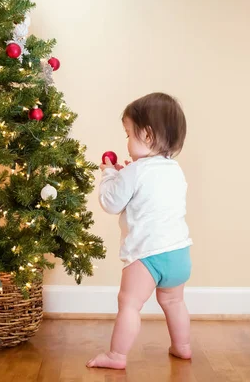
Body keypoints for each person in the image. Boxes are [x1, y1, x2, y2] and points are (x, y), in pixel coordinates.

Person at [87, 92, 192, 370]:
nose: (127, 142)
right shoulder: (175, 170)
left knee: (129, 303)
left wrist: (110, 174)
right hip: (179, 252)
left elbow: (111, 202)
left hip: (147, 255)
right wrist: (127, 175)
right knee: (174, 301)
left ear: (146, 135)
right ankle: (182, 346)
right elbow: (152, 195)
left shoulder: (134, 172)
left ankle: (117, 356)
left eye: (128, 134)